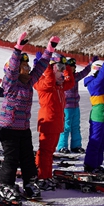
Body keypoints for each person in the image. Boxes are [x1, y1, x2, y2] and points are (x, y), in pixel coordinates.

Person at [0, 33, 54, 200]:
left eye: (28, 67)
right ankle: (5, 184)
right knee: (11, 159)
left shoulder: (29, 83)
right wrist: (17, 49)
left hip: (23, 129)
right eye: (25, 67)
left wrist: (49, 50)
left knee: (28, 158)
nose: (28, 69)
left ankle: (30, 182)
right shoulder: (10, 84)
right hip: (8, 129)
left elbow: (41, 66)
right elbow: (12, 69)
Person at [34, 52, 74, 188]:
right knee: (44, 151)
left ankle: (47, 175)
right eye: (59, 68)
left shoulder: (59, 86)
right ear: (51, 69)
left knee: (50, 152)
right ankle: (41, 176)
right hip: (48, 122)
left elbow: (71, 82)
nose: (62, 72)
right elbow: (49, 80)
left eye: (63, 69)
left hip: (56, 123)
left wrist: (67, 67)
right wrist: (47, 66)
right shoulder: (44, 83)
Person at [56, 58, 93, 154]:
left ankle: (76, 146)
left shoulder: (75, 77)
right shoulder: (62, 78)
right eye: (69, 67)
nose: (71, 69)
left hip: (76, 106)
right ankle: (62, 146)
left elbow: (85, 72)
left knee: (76, 126)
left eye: (73, 67)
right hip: (66, 107)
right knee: (65, 127)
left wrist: (90, 64)